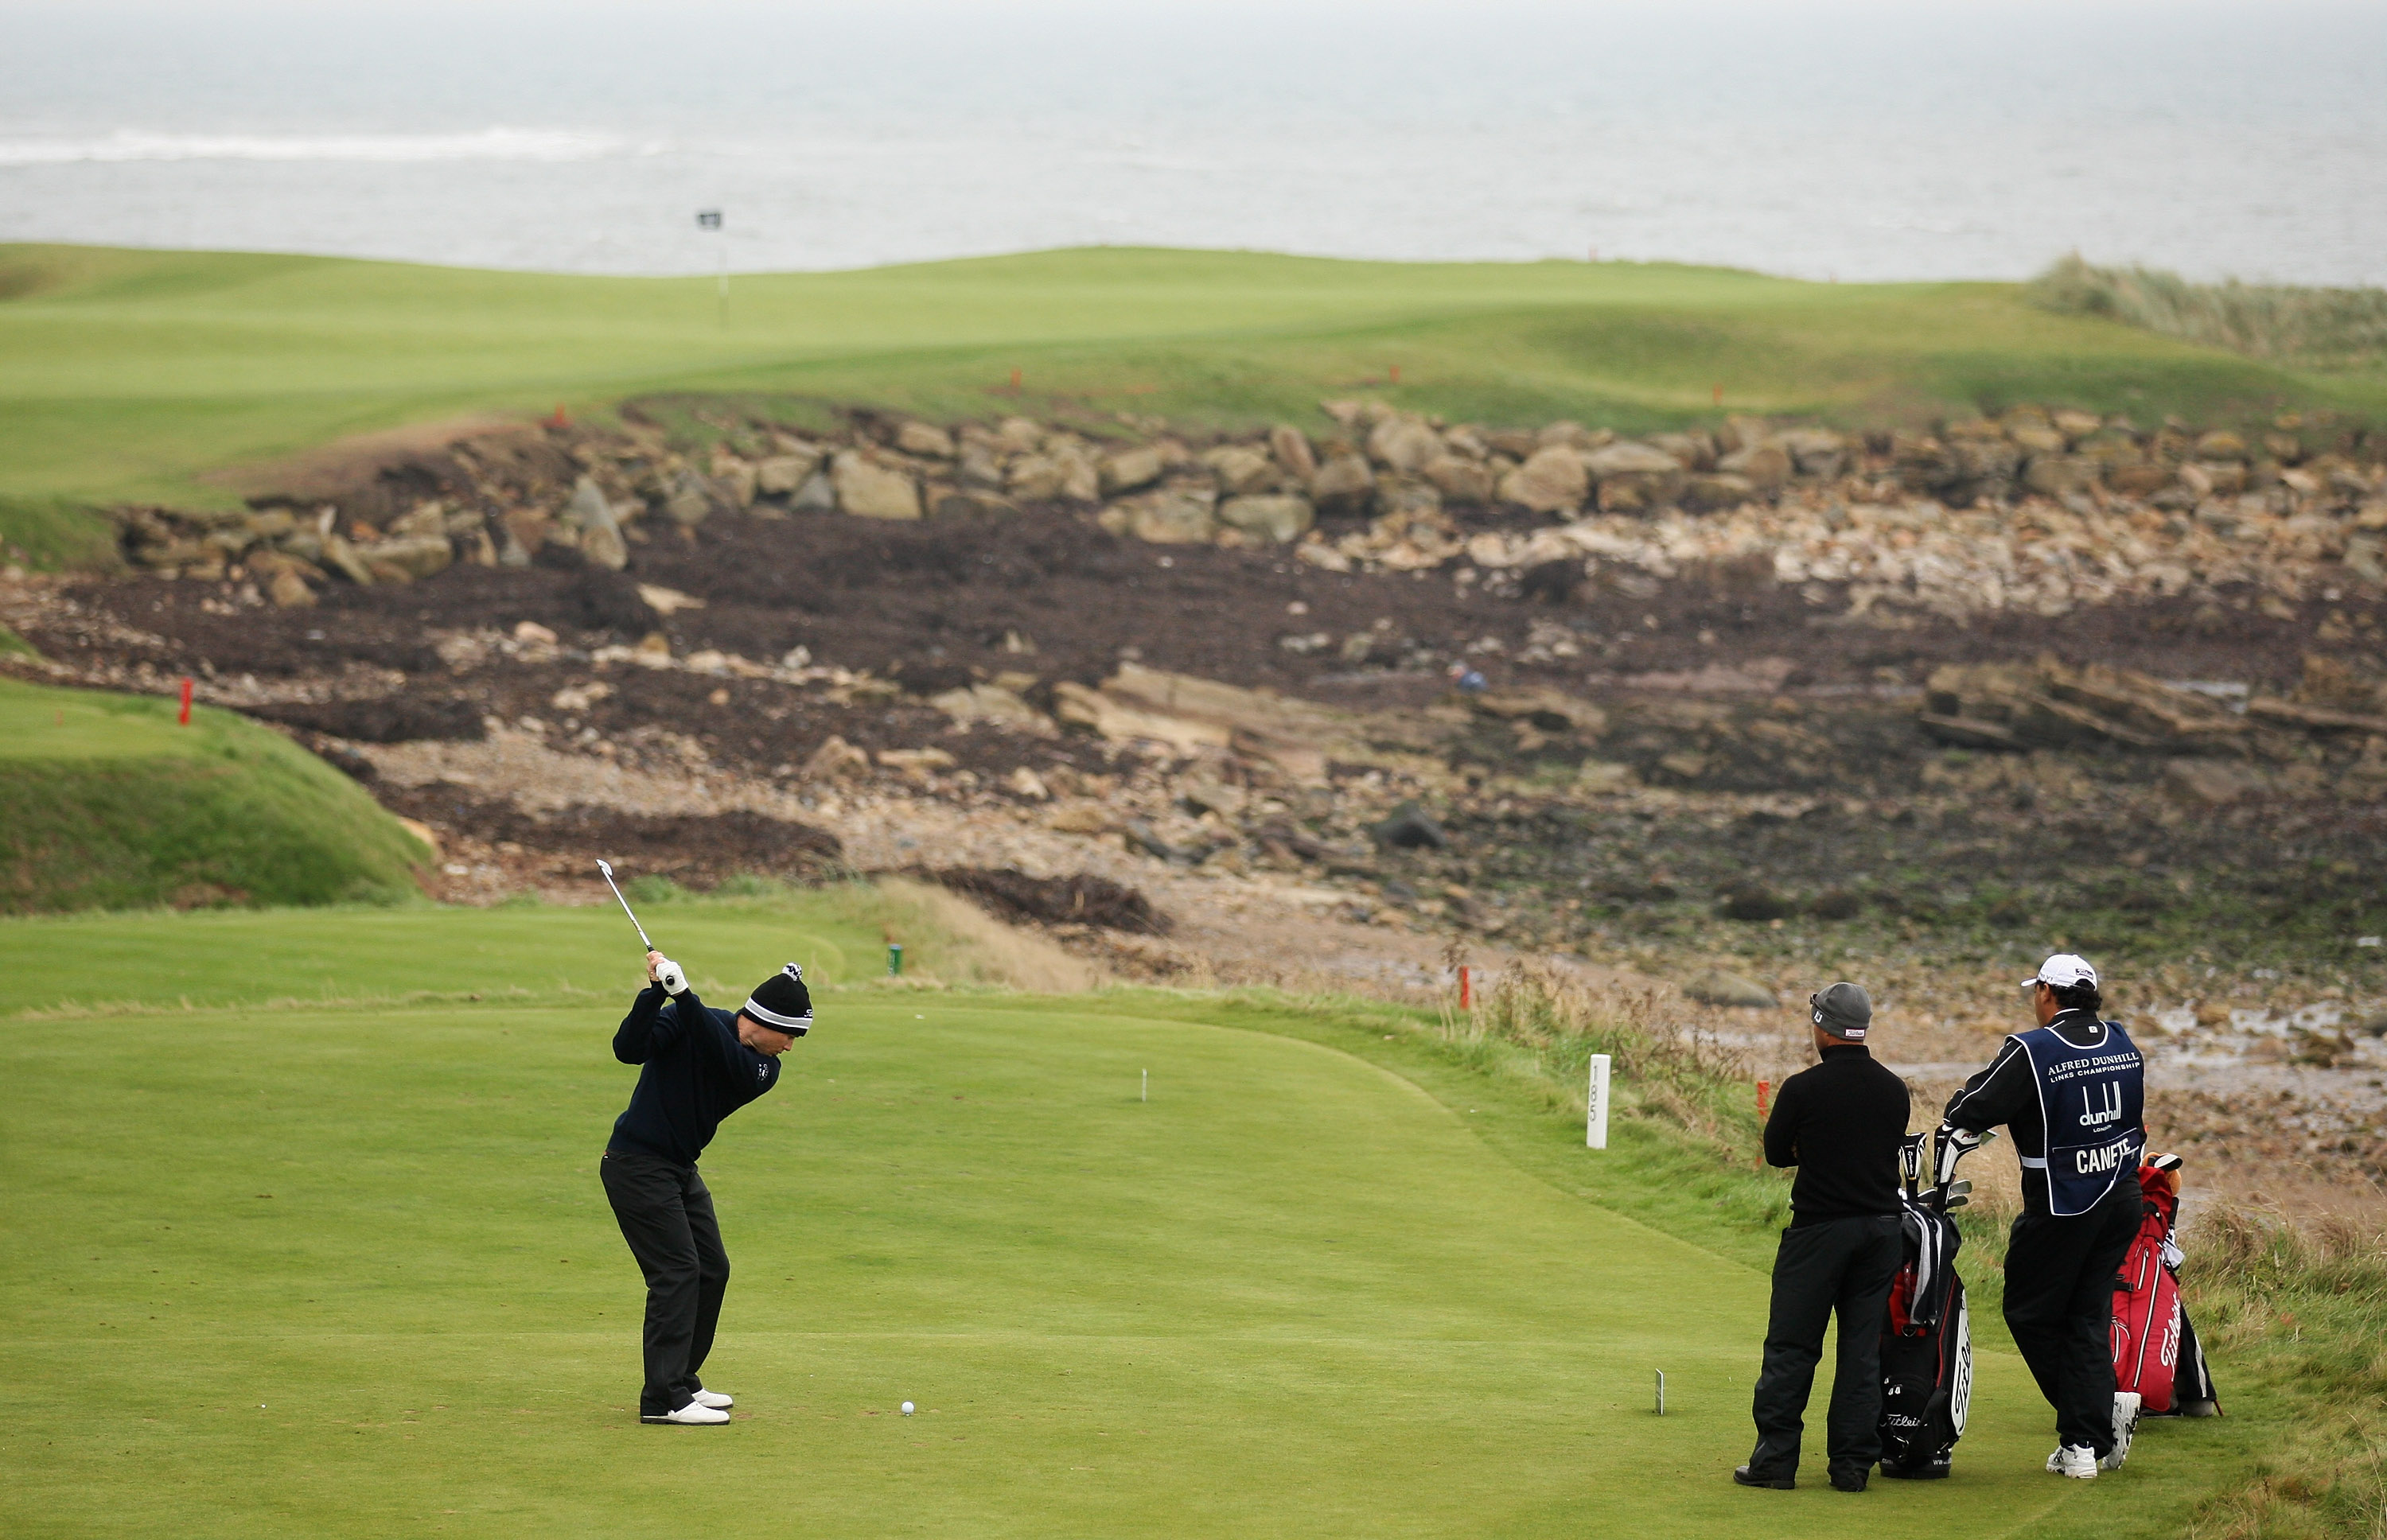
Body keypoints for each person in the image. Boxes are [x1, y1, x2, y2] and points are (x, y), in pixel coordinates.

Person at [1939, 953, 2146, 1479]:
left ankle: (2083, 1437)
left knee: (2029, 1313)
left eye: (2038, 991)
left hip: (2063, 1205)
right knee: (2085, 1315)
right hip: (2121, 1199)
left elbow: (1972, 1107)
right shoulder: (2121, 1040)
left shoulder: (2033, 1050)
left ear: (2048, 995)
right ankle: (2099, 1425)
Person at [601, 951, 811, 1425]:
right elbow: (628, 1049)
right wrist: (656, 994)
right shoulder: (691, 1019)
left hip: (677, 1169)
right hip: (635, 1165)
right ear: (765, 1021)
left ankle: (682, 1379)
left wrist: (684, 995)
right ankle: (662, 1399)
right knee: (676, 1272)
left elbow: (720, 1053)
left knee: (712, 1268)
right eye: (792, 1035)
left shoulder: (762, 1070)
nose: (793, 1047)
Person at [1737, 982, 1911, 1493]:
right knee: (1861, 1351)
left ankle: (1775, 1463)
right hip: (1881, 1233)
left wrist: (1812, 1151)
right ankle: (1852, 1466)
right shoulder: (1893, 1088)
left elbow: (1775, 1153)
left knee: (1792, 1347)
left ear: (1822, 1026)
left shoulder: (1802, 1088)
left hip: (1818, 1232)